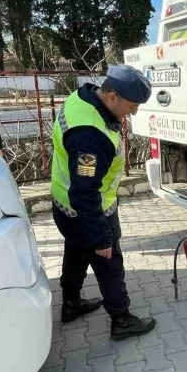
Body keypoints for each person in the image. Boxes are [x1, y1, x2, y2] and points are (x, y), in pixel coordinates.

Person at [51, 65, 156, 341]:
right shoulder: (90, 136)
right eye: (132, 106)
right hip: (87, 211)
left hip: (65, 206)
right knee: (109, 264)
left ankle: (71, 304)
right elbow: (84, 192)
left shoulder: (81, 98)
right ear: (112, 97)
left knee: (75, 253)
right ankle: (121, 320)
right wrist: (101, 238)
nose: (133, 113)